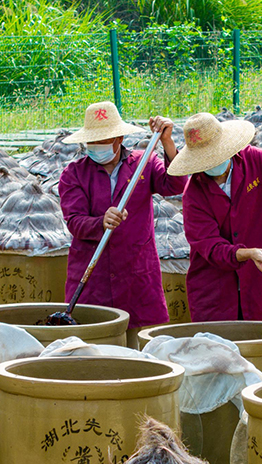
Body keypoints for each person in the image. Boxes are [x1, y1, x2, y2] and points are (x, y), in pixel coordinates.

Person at [58, 101, 185, 344]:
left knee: (135, 345)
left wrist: (168, 142)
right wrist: (100, 223)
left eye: (102, 140)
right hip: (93, 273)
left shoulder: (143, 164)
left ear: (119, 138)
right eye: (92, 141)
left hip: (135, 271)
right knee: (96, 344)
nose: (96, 147)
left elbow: (175, 185)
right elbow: (74, 221)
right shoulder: (73, 174)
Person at [168, 112, 262, 323]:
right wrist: (248, 253)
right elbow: (212, 248)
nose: (211, 164)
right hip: (216, 289)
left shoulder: (252, 159)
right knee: (221, 349)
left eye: (214, 156)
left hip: (260, 278)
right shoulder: (194, 193)